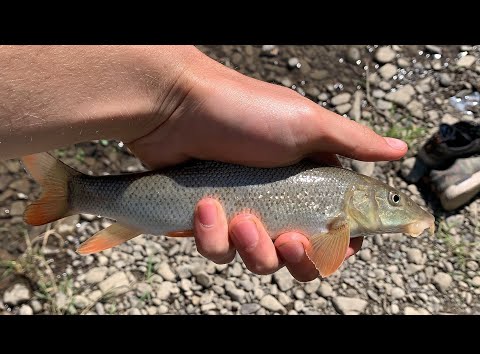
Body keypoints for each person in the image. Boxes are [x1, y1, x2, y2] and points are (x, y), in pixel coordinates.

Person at [0, 45, 408, 282]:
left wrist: (174, 100)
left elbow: (322, 257)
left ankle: (78, 192)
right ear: (362, 196)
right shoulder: (340, 206)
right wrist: (173, 100)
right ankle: (75, 192)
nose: (397, 204)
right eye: (392, 198)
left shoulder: (340, 199)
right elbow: (325, 259)